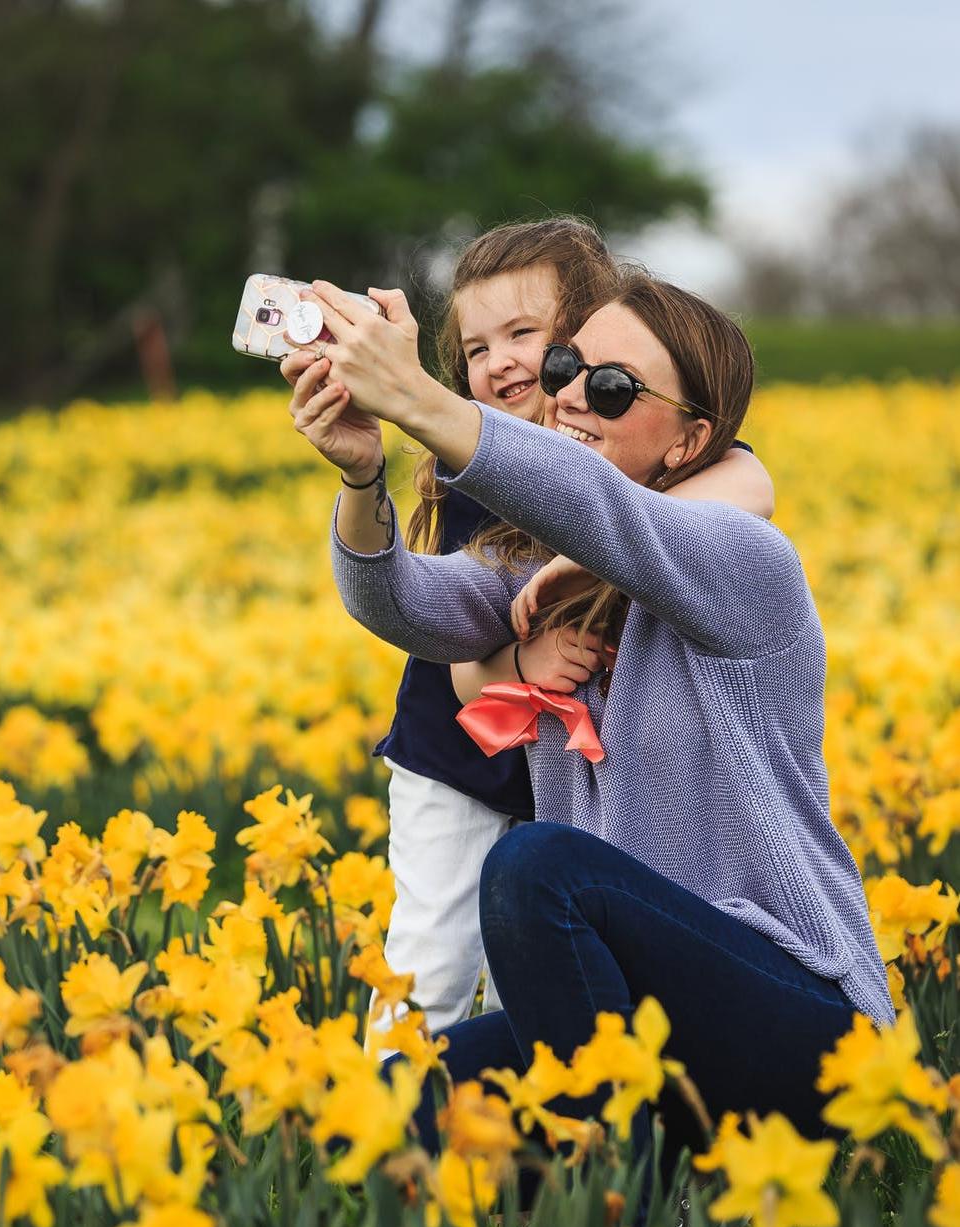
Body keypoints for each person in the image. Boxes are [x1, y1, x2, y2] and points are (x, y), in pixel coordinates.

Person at [285, 265, 893, 1177]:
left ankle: (618, 1202)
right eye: (568, 366)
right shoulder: (540, 576)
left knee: (536, 867)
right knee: (376, 1120)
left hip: (806, 1026)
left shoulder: (745, 561)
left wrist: (414, 397)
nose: (569, 395)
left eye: (611, 387)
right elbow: (399, 603)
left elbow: (604, 510)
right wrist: (361, 471)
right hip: (643, 1025)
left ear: (690, 439)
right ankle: (638, 1159)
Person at [281, 221, 775, 1046]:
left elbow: (748, 484)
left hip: (577, 768)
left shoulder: (648, 451)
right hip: (461, 753)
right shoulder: (479, 465)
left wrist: (597, 552)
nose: (500, 363)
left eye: (522, 335)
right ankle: (388, 1105)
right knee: (432, 965)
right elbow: (456, 656)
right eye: (476, 349)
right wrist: (522, 655)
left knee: (546, 974)